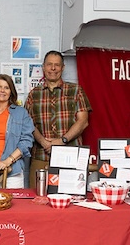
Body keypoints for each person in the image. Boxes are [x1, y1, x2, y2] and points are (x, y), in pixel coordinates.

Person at [24, 50, 92, 187]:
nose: (53, 68)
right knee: (37, 200)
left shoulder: (76, 90)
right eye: (49, 65)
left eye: (57, 65)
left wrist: (62, 141)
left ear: (63, 67)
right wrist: (44, 142)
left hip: (71, 154)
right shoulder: (34, 94)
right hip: (41, 156)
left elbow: (83, 121)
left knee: (72, 199)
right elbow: (27, 124)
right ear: (43, 67)